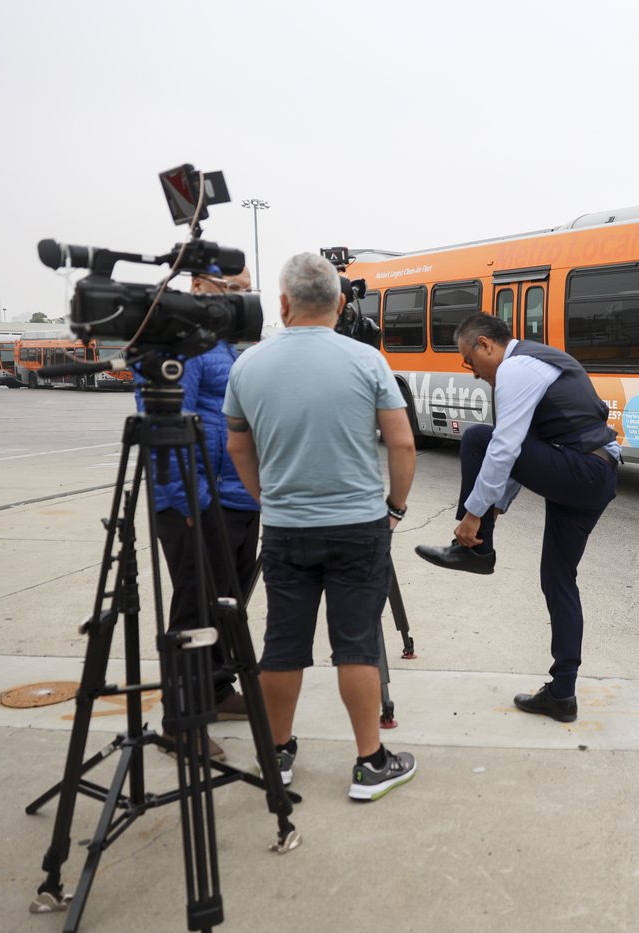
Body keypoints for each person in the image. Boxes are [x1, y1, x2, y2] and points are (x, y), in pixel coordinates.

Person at [224, 252, 419, 802]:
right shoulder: (367, 361)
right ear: (339, 304)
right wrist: (395, 508)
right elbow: (402, 443)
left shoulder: (249, 365)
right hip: (358, 526)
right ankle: (370, 763)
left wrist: (268, 500)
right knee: (356, 645)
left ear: (283, 303)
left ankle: (277, 755)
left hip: (286, 528)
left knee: (282, 644)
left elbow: (238, 445)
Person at [414, 313, 619, 723]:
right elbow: (528, 447)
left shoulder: (515, 368)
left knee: (478, 438)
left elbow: (506, 447)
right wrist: (497, 504)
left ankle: (475, 550)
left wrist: (473, 516)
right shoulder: (538, 361)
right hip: (594, 471)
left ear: (485, 344)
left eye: (469, 361)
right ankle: (562, 694)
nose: (474, 373)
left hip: (582, 469)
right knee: (558, 580)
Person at [136, 266, 259, 762]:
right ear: (200, 287)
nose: (242, 299)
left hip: (237, 499)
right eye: (235, 290)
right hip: (198, 503)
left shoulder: (224, 345)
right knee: (194, 609)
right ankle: (181, 720)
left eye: (247, 290)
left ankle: (216, 688)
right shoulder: (179, 346)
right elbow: (164, 424)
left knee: (227, 605)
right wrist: (191, 503)